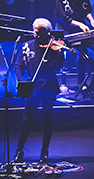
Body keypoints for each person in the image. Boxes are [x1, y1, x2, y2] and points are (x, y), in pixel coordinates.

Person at [13, 18, 65, 164]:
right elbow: (18, 65)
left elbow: (58, 66)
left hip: (49, 86)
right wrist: (21, 81)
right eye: (35, 31)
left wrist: (57, 56)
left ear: (48, 32)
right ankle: (19, 150)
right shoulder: (27, 46)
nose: (36, 35)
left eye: (40, 32)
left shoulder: (54, 46)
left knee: (47, 119)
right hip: (33, 87)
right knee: (27, 119)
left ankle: (44, 151)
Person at [54, 0, 94, 95]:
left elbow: (86, 11)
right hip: (66, 30)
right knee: (82, 51)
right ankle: (81, 82)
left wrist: (92, 21)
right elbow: (64, 18)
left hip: (81, 28)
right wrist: (80, 24)